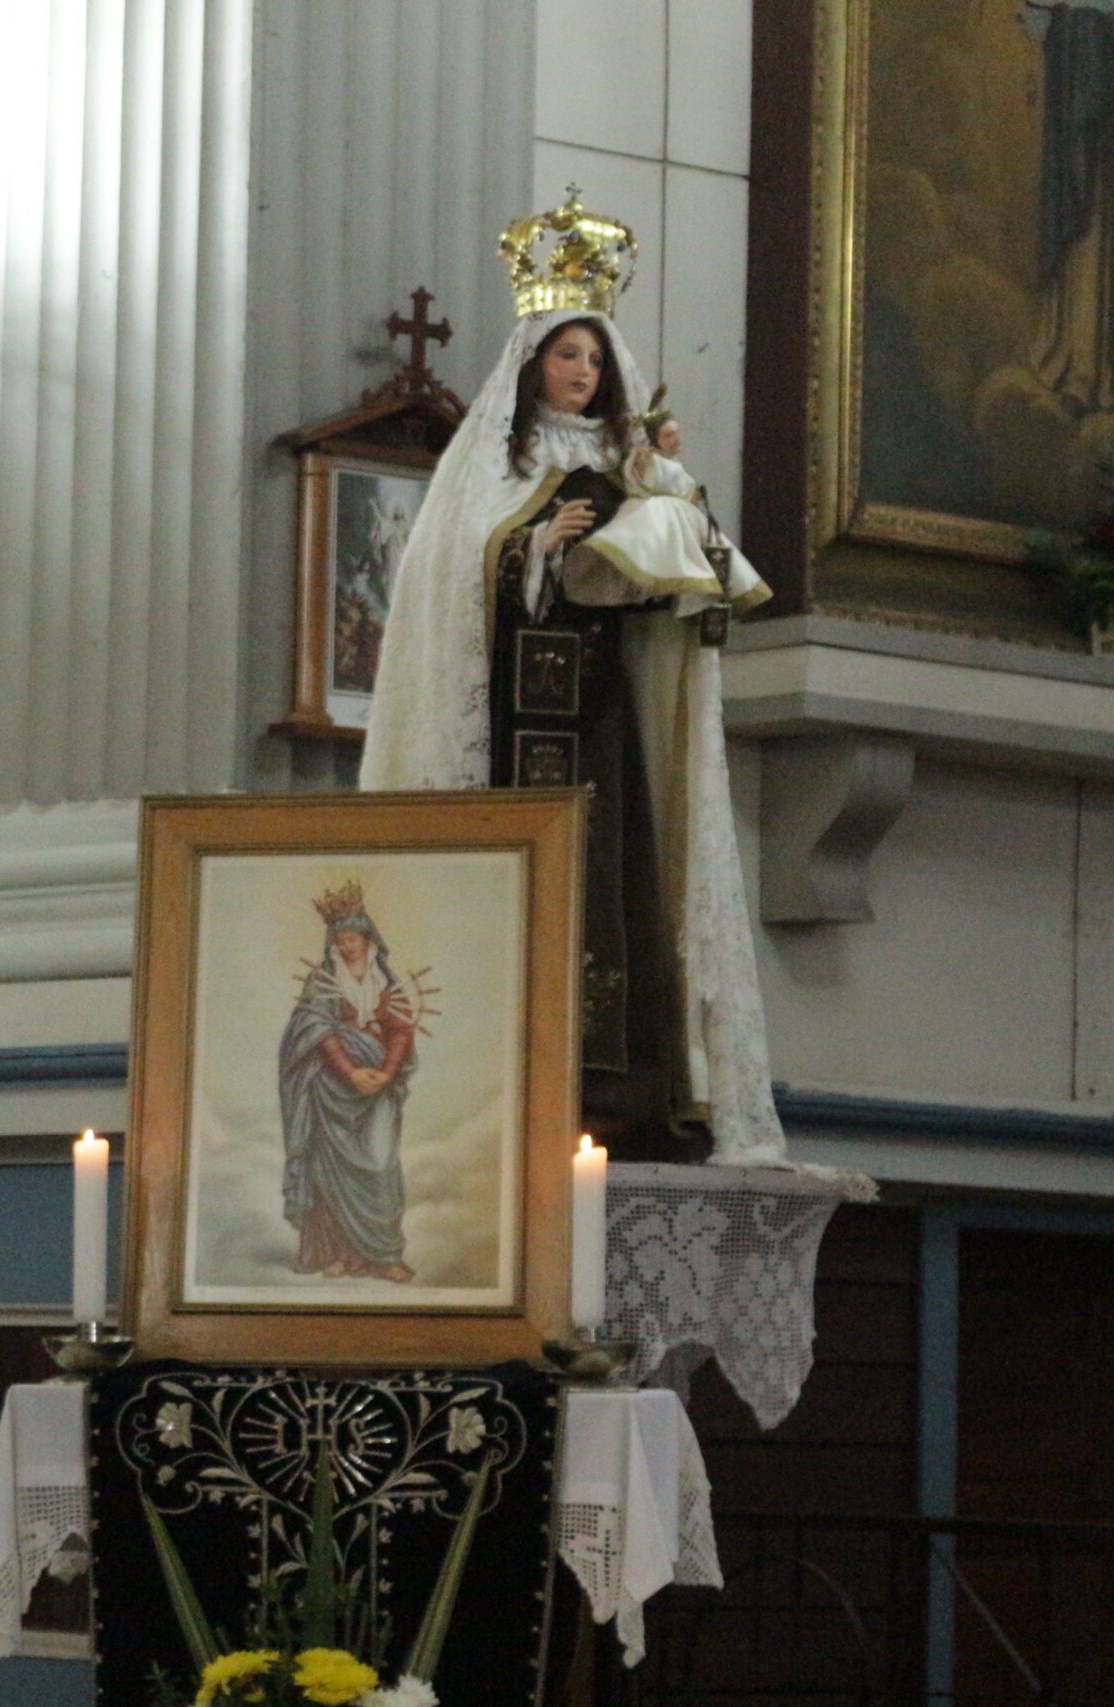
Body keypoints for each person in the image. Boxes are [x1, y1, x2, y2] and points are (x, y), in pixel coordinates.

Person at [361, 189, 783, 1163]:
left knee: (614, 887)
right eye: (567, 354)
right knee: (529, 891)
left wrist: (668, 494)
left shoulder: (624, 460)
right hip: (514, 736)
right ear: (531, 364)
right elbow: (451, 583)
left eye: (595, 358)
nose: (583, 373)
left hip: (600, 720)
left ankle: (625, 1094)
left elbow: (681, 576)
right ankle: (500, 1086)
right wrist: (532, 551)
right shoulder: (487, 469)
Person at [279, 882, 417, 1282]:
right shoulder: (322, 979)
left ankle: (384, 1255)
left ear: (368, 936)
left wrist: (386, 1074)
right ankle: (339, 1253)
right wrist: (350, 1071)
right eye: (339, 939)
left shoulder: (385, 980)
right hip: (331, 1090)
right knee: (330, 1172)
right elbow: (315, 1029)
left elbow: (402, 1032)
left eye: (352, 937)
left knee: (379, 1165)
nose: (347, 946)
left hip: (377, 1092)